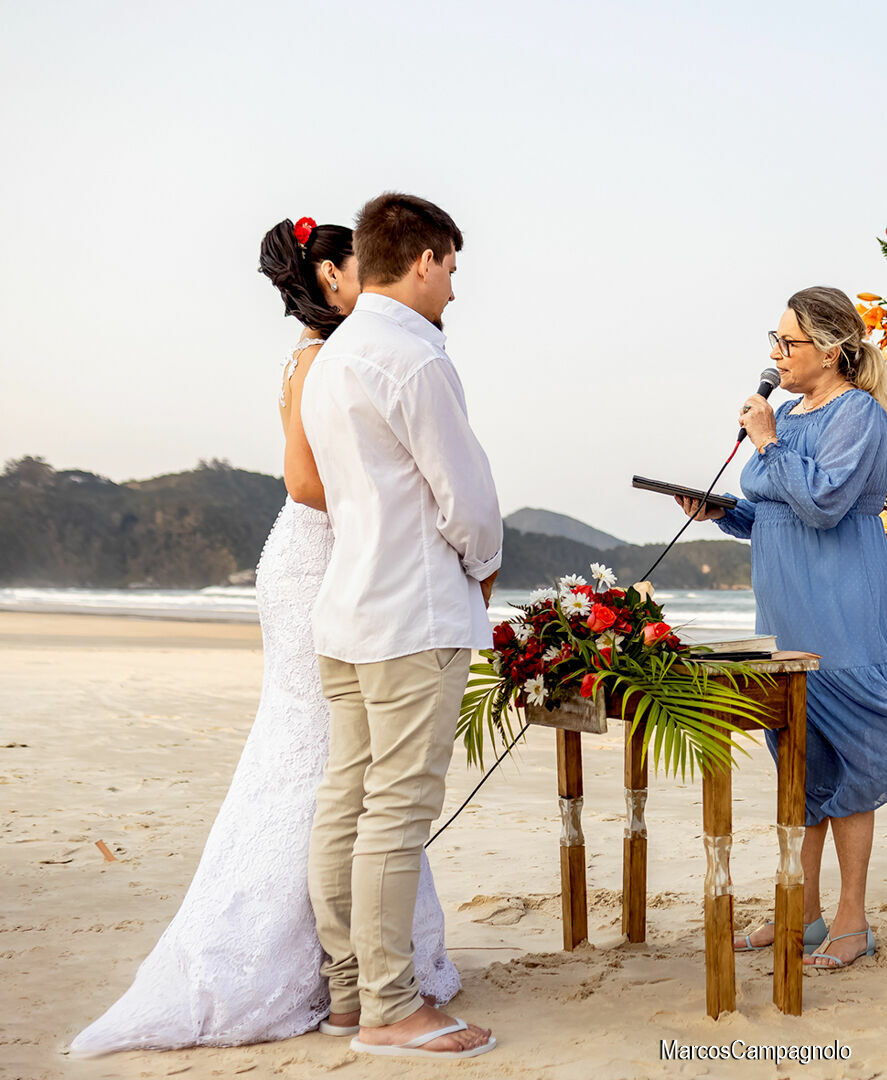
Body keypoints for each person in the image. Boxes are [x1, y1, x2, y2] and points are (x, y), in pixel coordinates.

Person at [68, 217, 461, 1056]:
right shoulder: (324, 359)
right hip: (324, 557)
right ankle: (334, 971)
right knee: (332, 763)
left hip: (328, 560)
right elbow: (306, 482)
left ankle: (353, 974)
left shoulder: (326, 354)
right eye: (362, 266)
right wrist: (388, 509)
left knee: (331, 761)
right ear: (330, 277)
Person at [677, 286, 887, 970]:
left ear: (830, 350)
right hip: (784, 616)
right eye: (773, 342)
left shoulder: (856, 413)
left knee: (852, 760)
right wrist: (723, 512)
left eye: (788, 343)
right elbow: (777, 511)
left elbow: (824, 503)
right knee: (800, 762)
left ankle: (852, 921)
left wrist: (766, 442)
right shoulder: (787, 416)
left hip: (840, 611)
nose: (776, 355)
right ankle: (800, 913)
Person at [299, 193, 501, 1060]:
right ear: (422, 260)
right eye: (450, 267)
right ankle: (389, 1008)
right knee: (395, 813)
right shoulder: (413, 357)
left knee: (345, 803)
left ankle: (350, 995)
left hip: (347, 609)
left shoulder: (333, 356)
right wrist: (485, 564)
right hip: (412, 614)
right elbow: (466, 497)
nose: (453, 286)